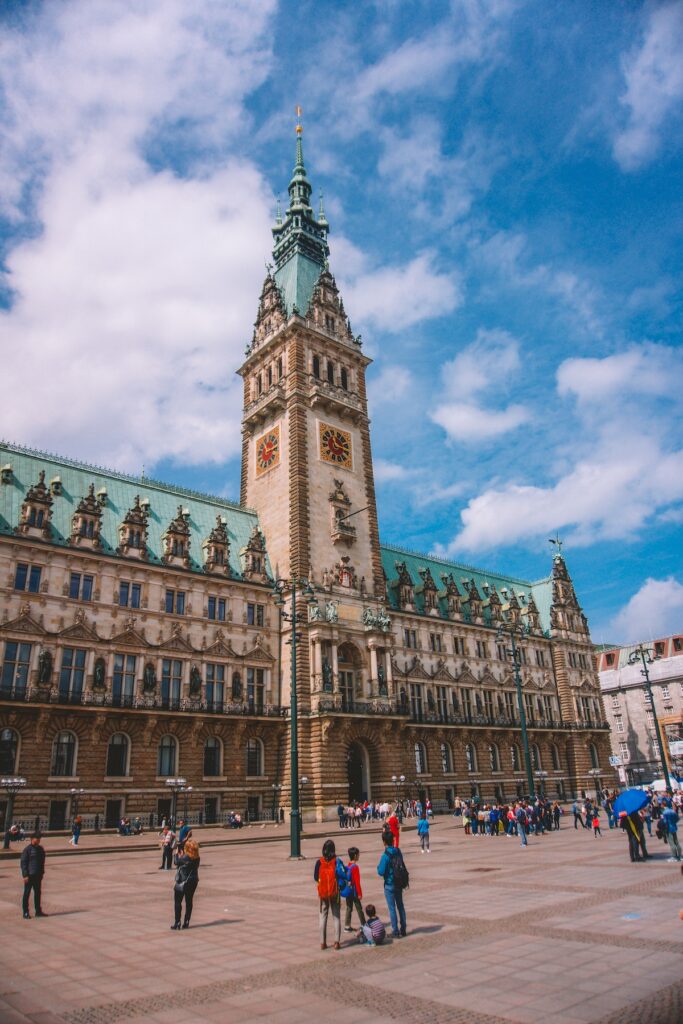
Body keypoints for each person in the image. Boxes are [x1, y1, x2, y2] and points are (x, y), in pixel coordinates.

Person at [314, 839, 346, 950]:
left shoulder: (319, 862)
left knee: (322, 917)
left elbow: (315, 877)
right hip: (334, 892)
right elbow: (343, 874)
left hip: (323, 893)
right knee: (336, 916)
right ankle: (336, 942)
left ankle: (323, 943)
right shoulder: (337, 861)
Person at [377, 831, 407, 938]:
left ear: (384, 842)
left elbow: (380, 871)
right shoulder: (398, 851)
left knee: (392, 908)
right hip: (399, 882)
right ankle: (403, 928)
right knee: (400, 906)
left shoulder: (385, 855)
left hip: (389, 884)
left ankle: (395, 931)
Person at [171, 838, 200, 929]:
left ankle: (177, 922)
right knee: (189, 901)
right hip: (193, 881)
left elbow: (176, 862)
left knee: (178, 901)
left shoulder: (185, 857)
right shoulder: (197, 857)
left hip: (183, 881)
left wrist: (176, 854)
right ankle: (186, 922)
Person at [20, 834, 47, 919]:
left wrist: (42, 872)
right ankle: (25, 912)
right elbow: (23, 863)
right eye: (36, 839)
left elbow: (42, 862)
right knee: (27, 894)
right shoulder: (27, 850)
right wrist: (25, 875)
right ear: (32, 839)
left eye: (39, 839)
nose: (38, 840)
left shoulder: (40, 849)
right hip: (29, 875)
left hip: (37, 875)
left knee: (38, 893)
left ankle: (38, 911)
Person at [344, 846, 366, 933]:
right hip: (354, 892)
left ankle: (347, 925)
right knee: (359, 908)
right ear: (355, 855)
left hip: (348, 891)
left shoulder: (348, 866)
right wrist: (360, 893)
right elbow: (357, 882)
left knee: (349, 907)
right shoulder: (355, 867)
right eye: (359, 854)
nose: (359, 856)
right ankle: (364, 924)